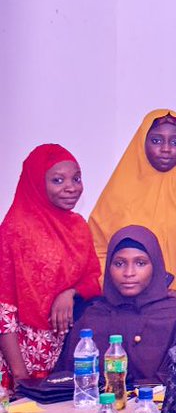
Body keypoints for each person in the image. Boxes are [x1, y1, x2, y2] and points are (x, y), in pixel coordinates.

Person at [0, 145, 103, 386]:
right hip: (18, 360)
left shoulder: (78, 227)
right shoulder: (15, 230)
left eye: (76, 178)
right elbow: (3, 308)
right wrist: (20, 375)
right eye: (58, 180)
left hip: (63, 356)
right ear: (36, 183)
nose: (71, 187)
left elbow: (93, 278)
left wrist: (70, 293)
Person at [56, 226, 176, 385]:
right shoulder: (92, 316)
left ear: (155, 266)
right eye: (119, 263)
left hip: (155, 401)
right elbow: (68, 382)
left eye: (140, 263)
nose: (129, 273)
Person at [88, 109, 176, 295]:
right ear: (142, 142)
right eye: (156, 141)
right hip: (125, 299)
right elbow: (96, 250)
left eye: (175, 142)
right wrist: (118, 288)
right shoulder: (119, 192)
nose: (166, 149)